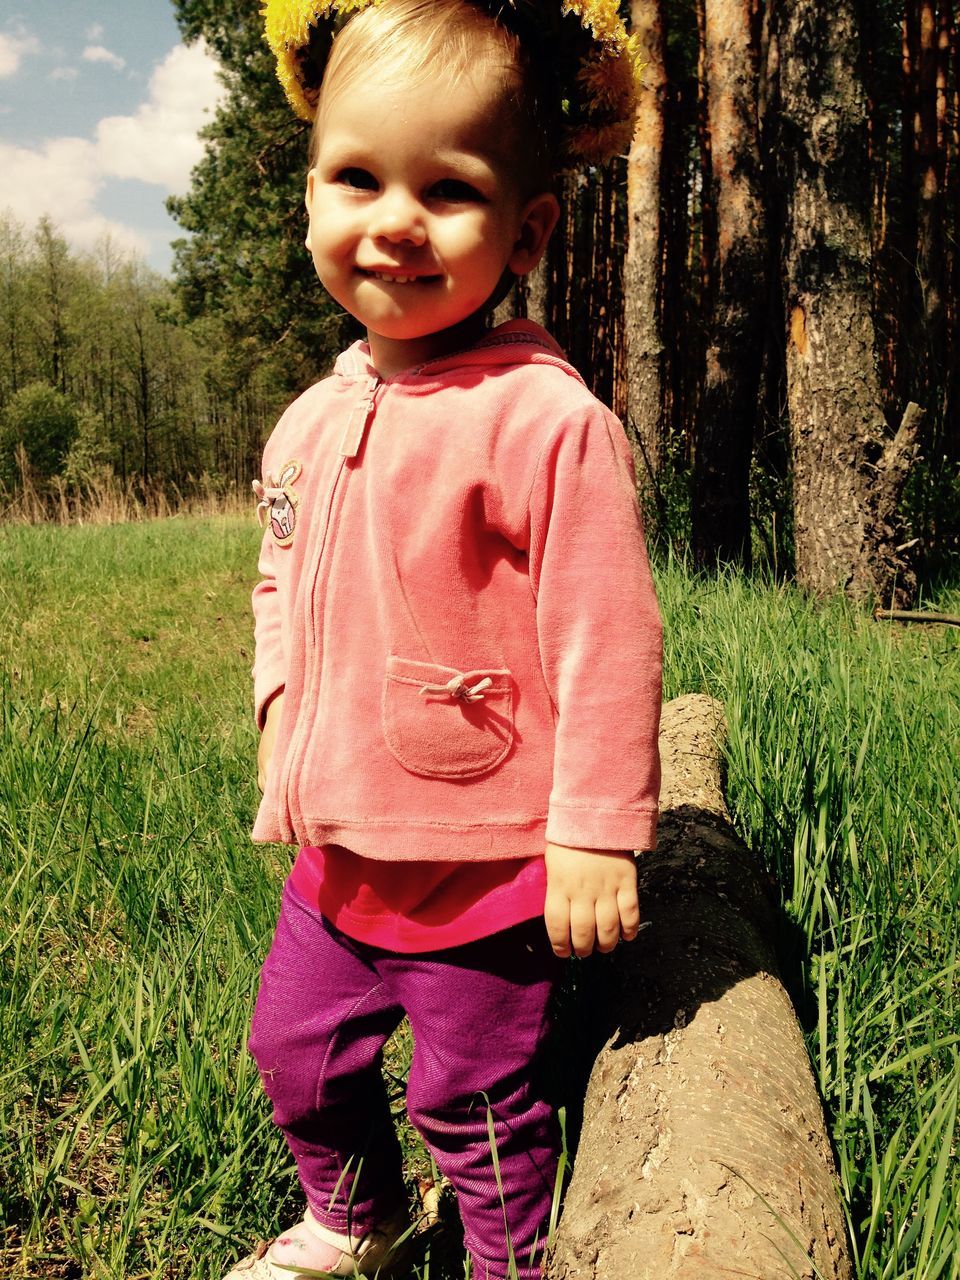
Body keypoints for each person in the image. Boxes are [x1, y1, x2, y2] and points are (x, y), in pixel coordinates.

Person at [229, 1, 662, 1277]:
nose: (394, 219)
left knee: (472, 1101)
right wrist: (277, 716)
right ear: (309, 193)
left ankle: (507, 1257)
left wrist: (594, 825)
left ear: (525, 232)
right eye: (356, 176)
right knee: (295, 1053)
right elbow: (277, 580)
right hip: (340, 859)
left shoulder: (544, 417)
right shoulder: (310, 417)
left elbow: (607, 633)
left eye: (450, 188)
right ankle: (357, 1216)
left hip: (484, 866)